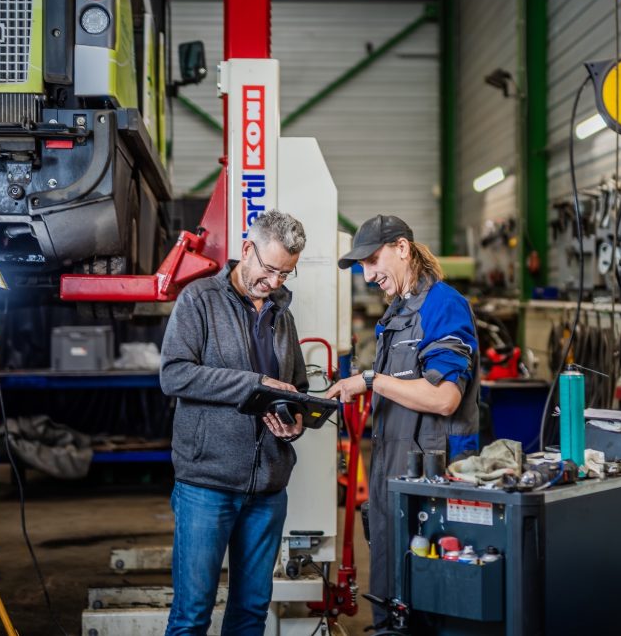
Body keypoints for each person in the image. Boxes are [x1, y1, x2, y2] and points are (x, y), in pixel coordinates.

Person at [160, 209, 309, 636]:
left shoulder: (282, 313)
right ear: (247, 250)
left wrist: (295, 420)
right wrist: (253, 383)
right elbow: (174, 374)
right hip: (206, 484)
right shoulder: (199, 299)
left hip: (267, 489)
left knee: (250, 614)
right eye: (270, 269)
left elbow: (294, 384)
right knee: (192, 615)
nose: (277, 282)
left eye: (286, 273)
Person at [326, 215, 479, 625]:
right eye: (362, 265)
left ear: (402, 248)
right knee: (390, 601)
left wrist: (371, 380)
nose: (368, 274)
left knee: (430, 601)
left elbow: (445, 399)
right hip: (392, 473)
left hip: (435, 478)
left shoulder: (443, 305)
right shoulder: (396, 314)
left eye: (373, 260)